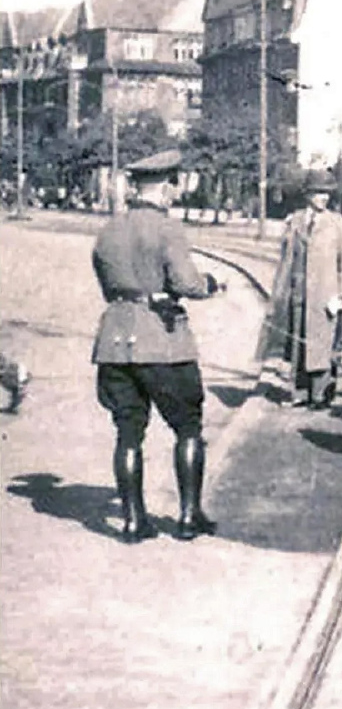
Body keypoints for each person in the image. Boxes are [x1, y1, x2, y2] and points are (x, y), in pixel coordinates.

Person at [90, 148, 225, 543]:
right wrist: (209, 285)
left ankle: (133, 521)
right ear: (165, 187)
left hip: (114, 342)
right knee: (188, 425)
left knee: (128, 431)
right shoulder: (168, 229)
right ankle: (187, 517)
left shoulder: (109, 230)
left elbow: (106, 283)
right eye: (171, 185)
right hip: (162, 343)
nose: (172, 193)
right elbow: (185, 282)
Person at [260, 169, 342, 409]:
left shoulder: (338, 224)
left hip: (325, 296)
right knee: (299, 341)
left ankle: (321, 395)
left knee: (322, 343)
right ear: (308, 195)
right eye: (319, 192)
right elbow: (285, 259)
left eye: (327, 193)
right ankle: (300, 392)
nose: (324, 197)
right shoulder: (295, 221)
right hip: (298, 294)